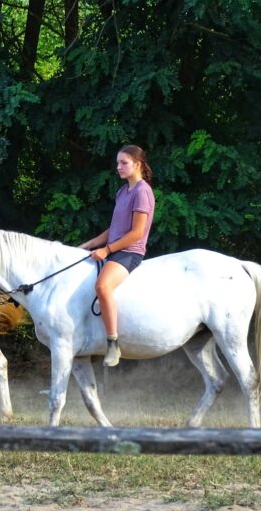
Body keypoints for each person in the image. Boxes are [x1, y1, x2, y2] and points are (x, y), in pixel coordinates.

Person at [78, 145, 155, 367]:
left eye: (124, 163)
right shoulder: (123, 192)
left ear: (137, 164)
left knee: (102, 286)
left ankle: (113, 344)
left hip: (130, 252)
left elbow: (136, 233)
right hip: (115, 248)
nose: (118, 167)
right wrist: (89, 244)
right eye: (118, 163)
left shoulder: (142, 192)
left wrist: (107, 250)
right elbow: (115, 229)